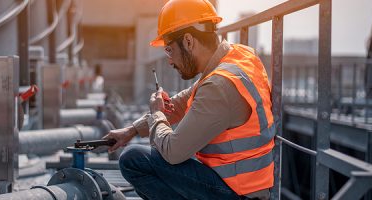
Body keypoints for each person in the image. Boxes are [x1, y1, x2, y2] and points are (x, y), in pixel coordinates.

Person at [103, 0, 275, 199]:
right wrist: (132, 130)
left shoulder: (219, 86)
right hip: (245, 184)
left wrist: (157, 114)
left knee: (133, 160)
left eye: (169, 49)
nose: (169, 60)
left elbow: (173, 152)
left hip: (236, 193)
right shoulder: (237, 58)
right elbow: (180, 103)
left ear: (188, 41)